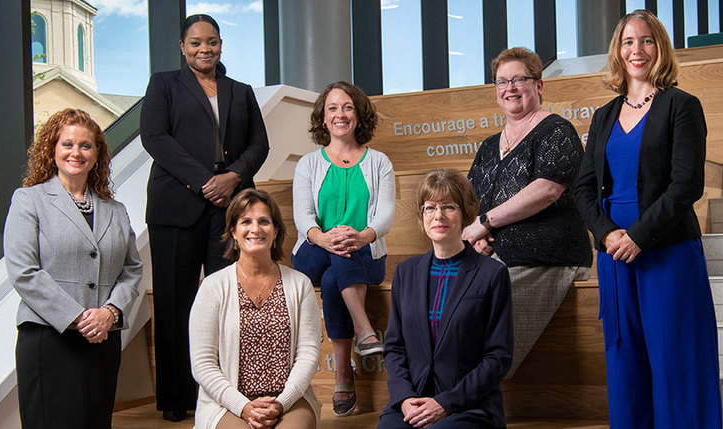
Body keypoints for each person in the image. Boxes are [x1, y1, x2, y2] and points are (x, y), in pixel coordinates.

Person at [572, 10, 722, 428]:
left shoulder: (682, 106)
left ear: (660, 48)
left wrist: (638, 235)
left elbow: (686, 185)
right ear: (618, 53)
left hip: (667, 251)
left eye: (646, 41)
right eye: (628, 42)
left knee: (677, 361)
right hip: (615, 255)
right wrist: (606, 236)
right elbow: (584, 188)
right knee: (626, 362)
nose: (637, 50)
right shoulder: (603, 116)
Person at [141, 13, 270, 421]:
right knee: (176, 304)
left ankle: (226, 395)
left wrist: (232, 179)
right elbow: (155, 138)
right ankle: (177, 400)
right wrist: (204, 181)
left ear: (220, 46)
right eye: (195, 43)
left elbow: (259, 144)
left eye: (211, 42)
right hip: (176, 207)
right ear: (182, 47)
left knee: (227, 302)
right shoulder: (164, 84)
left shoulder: (240, 90)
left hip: (228, 211)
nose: (204, 49)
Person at [4, 108, 143, 429]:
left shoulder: (116, 210)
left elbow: (132, 270)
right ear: (52, 151)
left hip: (102, 340)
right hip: (50, 339)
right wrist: (79, 317)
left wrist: (110, 312)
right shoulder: (29, 200)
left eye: (86, 145)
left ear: (97, 155)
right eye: (67, 144)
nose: (76, 153)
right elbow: (24, 271)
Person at [463, 47, 592, 377]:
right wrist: (477, 236)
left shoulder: (556, 131)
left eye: (520, 79)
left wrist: (485, 223)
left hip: (545, 254)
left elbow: (545, 191)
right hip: (494, 253)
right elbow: (473, 199)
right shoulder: (490, 145)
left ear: (539, 85)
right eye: (502, 82)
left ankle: (472, 393)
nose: (510, 88)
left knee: (482, 302)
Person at [379, 169, 513, 429]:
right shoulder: (406, 272)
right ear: (422, 216)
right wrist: (405, 397)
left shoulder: (492, 274)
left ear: (465, 213)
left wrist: (446, 403)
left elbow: (498, 357)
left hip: (469, 406)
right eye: (429, 208)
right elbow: (394, 348)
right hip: (412, 403)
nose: (438, 216)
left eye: (448, 207)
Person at [291, 81, 395, 416]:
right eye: (333, 108)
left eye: (348, 107)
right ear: (322, 118)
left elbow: (386, 215)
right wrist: (324, 238)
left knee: (339, 272)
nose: (340, 114)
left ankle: (343, 376)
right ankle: (364, 331)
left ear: (359, 114)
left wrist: (364, 236)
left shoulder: (379, 162)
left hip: (365, 251)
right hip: (313, 250)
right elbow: (302, 217)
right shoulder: (308, 163)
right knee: (337, 252)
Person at [189, 189, 322, 429]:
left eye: (264, 221)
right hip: (227, 402)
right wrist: (243, 406)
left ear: (276, 231)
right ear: (233, 231)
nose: (255, 229)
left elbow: (309, 354)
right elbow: (202, 363)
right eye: (245, 222)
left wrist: (282, 402)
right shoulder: (212, 287)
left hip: (288, 401)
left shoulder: (300, 284)